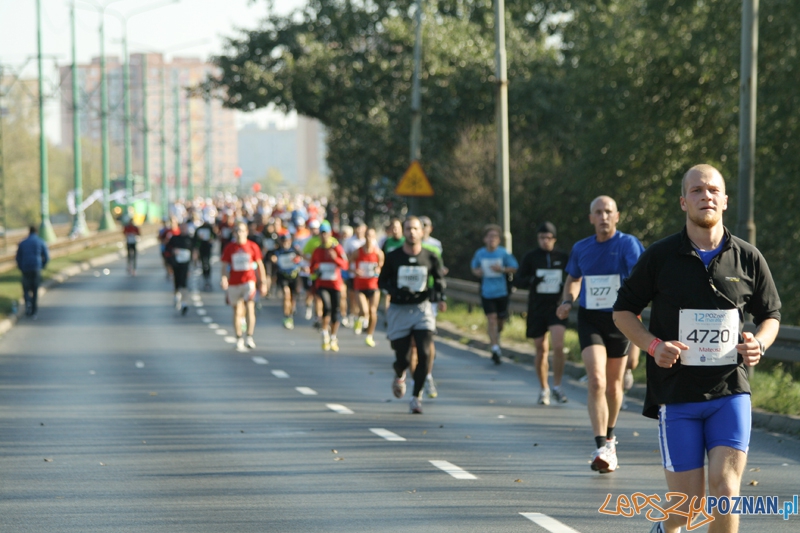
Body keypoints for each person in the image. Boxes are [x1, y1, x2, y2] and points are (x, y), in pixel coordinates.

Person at [613, 165, 780, 533]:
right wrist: (653, 345)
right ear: (683, 201)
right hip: (677, 394)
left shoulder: (747, 257)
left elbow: (771, 315)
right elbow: (623, 311)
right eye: (697, 190)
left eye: (713, 190)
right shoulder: (660, 256)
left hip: (730, 390)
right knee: (688, 509)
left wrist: (759, 343)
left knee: (725, 491)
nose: (706, 196)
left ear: (724, 199)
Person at [555, 195, 644, 474]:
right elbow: (574, 278)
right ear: (591, 218)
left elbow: (641, 278)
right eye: (598, 212)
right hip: (591, 319)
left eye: (608, 212)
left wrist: (638, 320)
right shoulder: (581, 248)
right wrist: (567, 300)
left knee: (614, 385)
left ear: (617, 216)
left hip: (621, 319)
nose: (603, 216)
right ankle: (601, 445)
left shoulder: (628, 244)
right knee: (596, 380)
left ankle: (610, 436)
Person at [378, 216, 446, 414]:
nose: (412, 232)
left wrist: (438, 295)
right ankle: (400, 373)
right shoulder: (393, 256)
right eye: (408, 229)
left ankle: (416, 397)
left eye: (415, 229)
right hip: (399, 309)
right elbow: (382, 281)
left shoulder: (431, 256)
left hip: (421, 309)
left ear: (422, 232)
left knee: (424, 353)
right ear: (403, 231)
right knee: (404, 358)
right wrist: (394, 291)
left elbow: (440, 280)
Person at [515, 221, 570, 405]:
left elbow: (574, 276)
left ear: (554, 239)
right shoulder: (531, 257)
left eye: (548, 238)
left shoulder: (563, 257)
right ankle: (543, 387)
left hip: (556, 307)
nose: (545, 241)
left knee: (558, 345)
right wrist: (532, 280)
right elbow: (518, 280)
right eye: (541, 237)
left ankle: (557, 385)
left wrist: (565, 286)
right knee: (541, 348)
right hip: (537, 307)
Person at [470, 224, 519, 365]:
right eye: (489, 236)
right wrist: (477, 272)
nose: (492, 239)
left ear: (499, 240)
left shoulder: (503, 253)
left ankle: (496, 337)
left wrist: (502, 269)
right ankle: (495, 348)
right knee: (491, 319)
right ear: (485, 239)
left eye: (495, 237)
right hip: (487, 292)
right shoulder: (480, 253)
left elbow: (515, 268)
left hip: (501, 292)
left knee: (500, 322)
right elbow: (474, 267)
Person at [220, 221, 269, 351]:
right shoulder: (230, 248)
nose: (239, 233)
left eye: (242, 230)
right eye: (237, 231)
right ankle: (238, 338)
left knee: (250, 307)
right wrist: (224, 278)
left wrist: (263, 282)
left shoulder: (253, 246)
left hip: (249, 282)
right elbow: (224, 266)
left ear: (246, 232)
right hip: (234, 283)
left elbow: (260, 265)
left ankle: (249, 336)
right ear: (234, 233)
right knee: (237, 311)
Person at [309, 221, 349, 352]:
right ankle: (325, 334)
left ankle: (333, 337)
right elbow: (312, 267)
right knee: (326, 307)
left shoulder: (337, 248)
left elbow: (345, 265)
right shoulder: (317, 251)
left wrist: (335, 258)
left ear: (330, 234)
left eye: (326, 233)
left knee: (335, 312)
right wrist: (315, 271)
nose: (323, 236)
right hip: (322, 284)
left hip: (335, 284)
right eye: (321, 234)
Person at [351, 227, 384, 347]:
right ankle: (359, 319)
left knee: (373, 311)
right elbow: (349, 264)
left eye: (372, 236)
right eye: (367, 236)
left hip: (374, 286)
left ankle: (369, 336)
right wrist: (355, 271)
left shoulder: (378, 253)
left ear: (375, 237)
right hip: (360, 286)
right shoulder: (357, 251)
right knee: (364, 311)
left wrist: (379, 269)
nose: (369, 238)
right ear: (364, 237)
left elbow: (382, 267)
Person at [15, 226, 49, 319]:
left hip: (25, 268)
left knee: (26, 289)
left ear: (29, 232)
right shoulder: (40, 241)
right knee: (35, 289)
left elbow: (18, 257)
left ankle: (27, 305)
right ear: (36, 232)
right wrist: (42, 266)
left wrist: (21, 267)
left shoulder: (23, 242)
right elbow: (46, 256)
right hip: (36, 268)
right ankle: (34, 311)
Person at [164, 222, 194, 316]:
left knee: (184, 284)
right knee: (177, 282)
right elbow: (167, 249)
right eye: (182, 228)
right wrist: (173, 251)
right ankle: (176, 296)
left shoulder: (190, 239)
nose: (183, 229)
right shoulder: (174, 238)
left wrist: (194, 258)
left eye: (185, 228)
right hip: (176, 264)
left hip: (186, 265)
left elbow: (194, 251)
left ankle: (184, 303)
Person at [273, 233, 302, 329]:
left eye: (287, 241)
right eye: (283, 241)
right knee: (286, 294)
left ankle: (291, 313)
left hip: (294, 276)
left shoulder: (295, 249)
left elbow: (301, 258)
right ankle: (286, 316)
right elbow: (271, 259)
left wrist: (299, 260)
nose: (285, 243)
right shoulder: (277, 251)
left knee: (293, 297)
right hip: (283, 276)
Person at [193, 215, 217, 290]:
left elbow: (214, 236)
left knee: (207, 263)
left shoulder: (210, 228)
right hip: (201, 248)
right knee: (203, 263)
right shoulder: (199, 229)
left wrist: (211, 239)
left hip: (208, 248)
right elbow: (195, 239)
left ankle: (208, 278)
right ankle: (205, 278)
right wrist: (196, 247)